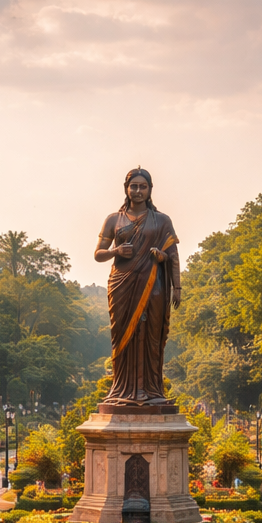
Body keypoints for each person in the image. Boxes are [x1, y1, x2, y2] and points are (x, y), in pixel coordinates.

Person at [95, 167, 181, 407]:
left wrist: (177, 287)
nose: (138, 190)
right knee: (122, 336)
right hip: (122, 285)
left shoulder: (162, 220)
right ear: (126, 189)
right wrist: (115, 251)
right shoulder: (114, 219)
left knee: (151, 336)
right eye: (133, 186)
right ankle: (121, 388)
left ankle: (152, 390)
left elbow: (173, 254)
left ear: (150, 190)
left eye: (143, 186)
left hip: (154, 285)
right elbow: (98, 254)